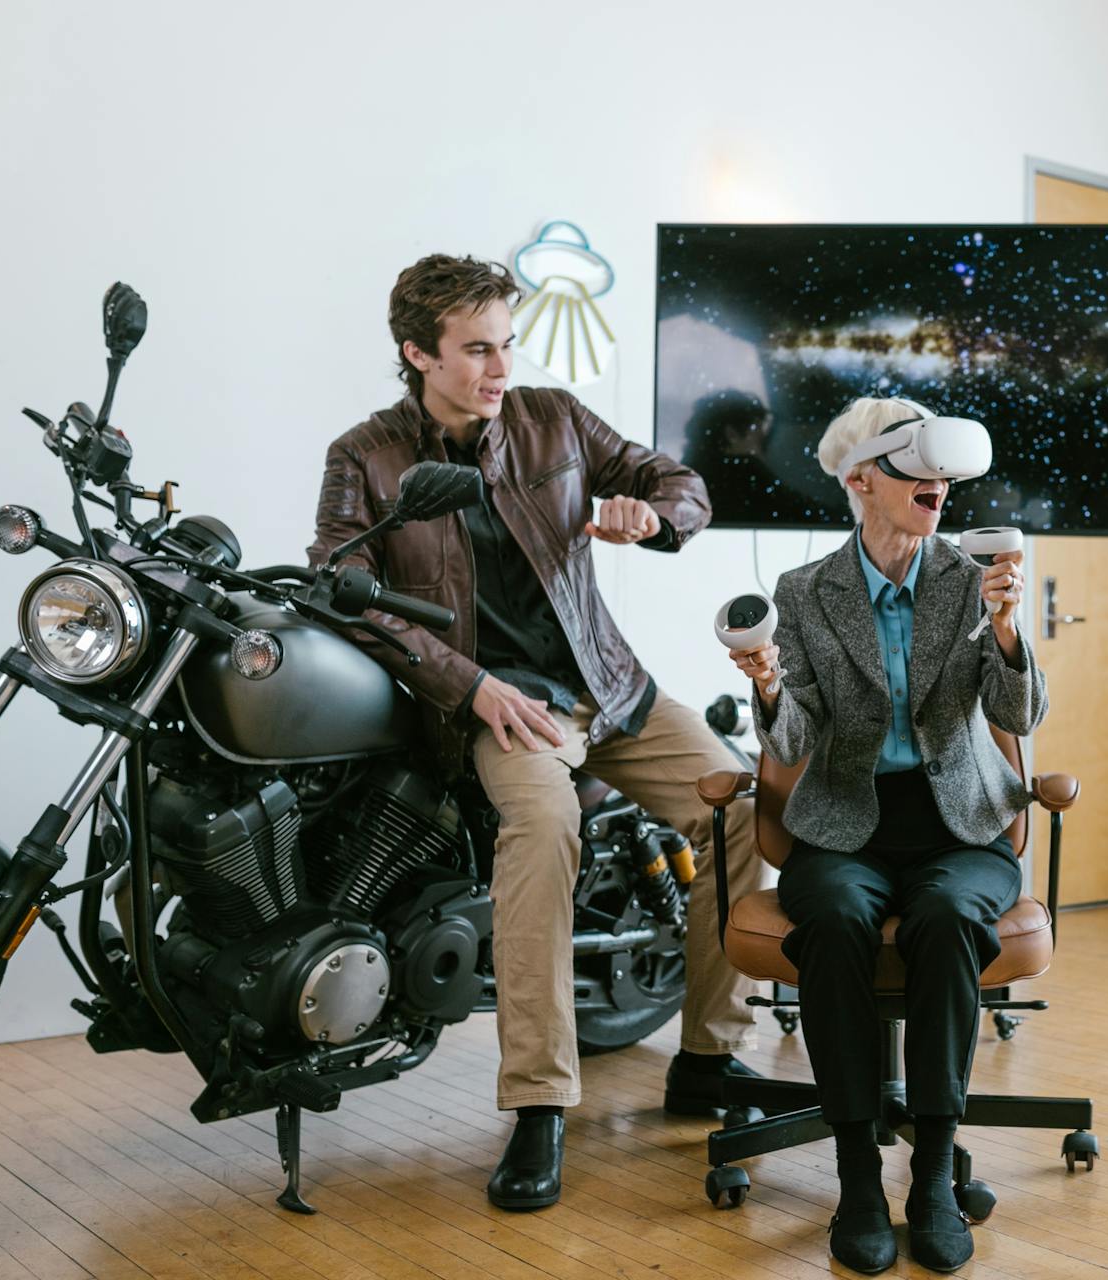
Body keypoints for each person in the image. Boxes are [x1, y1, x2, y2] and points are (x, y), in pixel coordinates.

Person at [308, 254, 768, 1212]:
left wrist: (658, 516)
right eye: (477, 349)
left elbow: (681, 480)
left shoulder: (552, 419)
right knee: (545, 828)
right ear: (417, 353)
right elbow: (343, 593)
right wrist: (467, 685)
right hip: (510, 708)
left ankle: (710, 1057)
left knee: (744, 809)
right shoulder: (365, 456)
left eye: (507, 343)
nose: (498, 367)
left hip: (612, 688)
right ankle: (540, 1102)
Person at [727, 396, 1044, 1273]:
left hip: (961, 827)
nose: (937, 485)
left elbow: (1021, 713)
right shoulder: (806, 593)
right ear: (862, 479)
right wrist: (766, 687)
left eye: (944, 472)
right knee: (830, 916)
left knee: (946, 918)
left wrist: (1010, 630)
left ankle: (935, 1174)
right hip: (846, 826)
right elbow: (793, 742)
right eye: (915, 469)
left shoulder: (975, 574)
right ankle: (859, 1176)